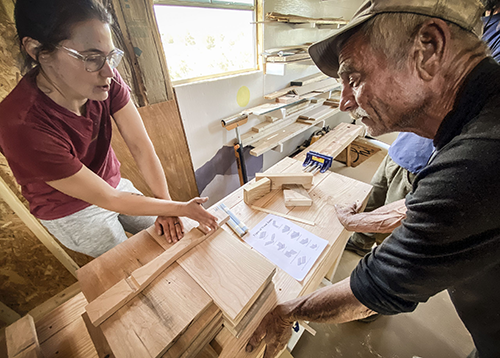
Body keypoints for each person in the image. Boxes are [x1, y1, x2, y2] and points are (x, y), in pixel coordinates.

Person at [246, 1, 500, 358]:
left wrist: (288, 313)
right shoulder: (480, 119)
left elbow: (375, 288)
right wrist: (361, 220)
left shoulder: (482, 156)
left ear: (428, 49)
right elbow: (435, 205)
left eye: (353, 78)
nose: (344, 103)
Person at [0, 0, 218, 258]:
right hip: (71, 211)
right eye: (91, 58)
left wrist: (166, 204)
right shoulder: (20, 125)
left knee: (170, 239)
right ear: (37, 50)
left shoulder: (105, 78)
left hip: (115, 185)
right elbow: (109, 200)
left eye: (110, 56)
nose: (109, 71)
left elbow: (141, 147)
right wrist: (179, 207)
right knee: (131, 265)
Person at [345, 132, 434, 256]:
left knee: (389, 220)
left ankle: (382, 255)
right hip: (398, 150)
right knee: (371, 201)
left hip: (418, 165)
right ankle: (360, 243)